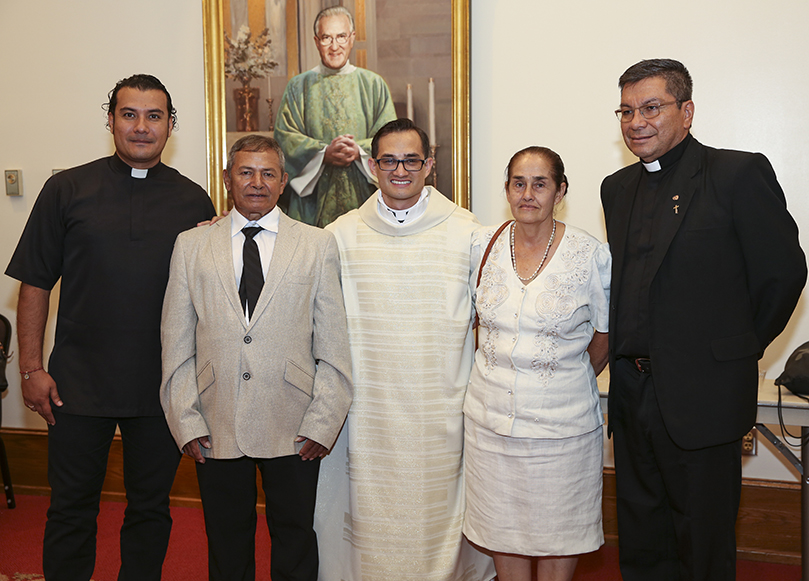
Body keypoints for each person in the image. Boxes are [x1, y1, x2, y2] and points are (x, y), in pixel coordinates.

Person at [601, 58, 806, 581]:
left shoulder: (736, 173)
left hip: (705, 393)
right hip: (632, 393)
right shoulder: (616, 188)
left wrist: (736, 347)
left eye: (652, 107)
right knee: (642, 537)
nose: (636, 122)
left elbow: (783, 274)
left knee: (703, 540)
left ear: (687, 111)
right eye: (626, 110)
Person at [5, 74, 216, 581]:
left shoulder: (194, 202)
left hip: (161, 387)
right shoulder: (66, 189)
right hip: (77, 386)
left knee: (150, 510)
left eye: (154, 116)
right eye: (129, 114)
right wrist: (31, 368)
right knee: (70, 510)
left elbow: (213, 296)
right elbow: (34, 282)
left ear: (170, 125)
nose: (141, 127)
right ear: (110, 120)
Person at [160, 135, 353, 581]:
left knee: (295, 538)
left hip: (295, 423)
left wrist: (323, 423)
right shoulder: (191, 246)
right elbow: (176, 342)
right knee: (226, 540)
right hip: (215, 419)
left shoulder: (316, 245)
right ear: (227, 179)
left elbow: (333, 344)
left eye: (268, 173)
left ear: (284, 181)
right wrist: (185, 420)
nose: (257, 182)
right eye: (245, 172)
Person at [313, 118, 495, 581]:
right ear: (373, 165)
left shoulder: (467, 233)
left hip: (439, 407)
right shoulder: (341, 235)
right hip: (368, 410)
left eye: (411, 160)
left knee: (435, 511)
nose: (400, 170)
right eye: (389, 160)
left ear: (429, 165)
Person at [463, 147, 610, 581]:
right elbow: (474, 325)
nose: (528, 194)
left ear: (560, 191)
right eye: (518, 183)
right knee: (503, 537)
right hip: (491, 431)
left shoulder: (590, 255)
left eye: (540, 184)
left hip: (561, 436)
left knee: (557, 540)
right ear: (507, 189)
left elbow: (603, 337)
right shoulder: (480, 247)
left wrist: (557, 379)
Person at [274, 5, 396, 227]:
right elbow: (285, 138)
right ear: (315, 41)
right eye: (326, 38)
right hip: (311, 203)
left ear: (352, 38)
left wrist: (358, 151)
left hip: (364, 196)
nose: (334, 46)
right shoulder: (298, 87)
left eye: (341, 36)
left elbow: (391, 140)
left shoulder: (373, 85)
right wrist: (323, 153)